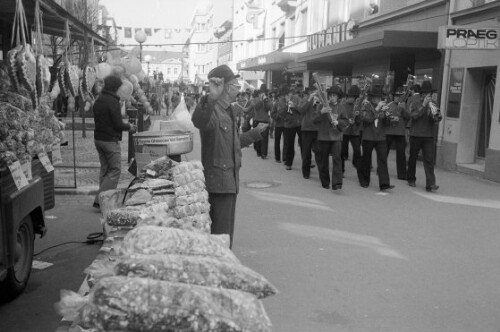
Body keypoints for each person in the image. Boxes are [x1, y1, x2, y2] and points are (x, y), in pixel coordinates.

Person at [191, 64, 268, 248]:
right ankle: (220, 267)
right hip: (219, 181)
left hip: (229, 180)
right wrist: (211, 97)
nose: (238, 88)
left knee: (225, 234)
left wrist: (255, 133)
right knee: (221, 235)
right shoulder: (213, 109)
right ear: (224, 87)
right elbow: (199, 121)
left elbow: (232, 143)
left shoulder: (229, 110)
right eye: (235, 85)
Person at [92, 75, 137, 209]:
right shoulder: (113, 102)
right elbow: (117, 124)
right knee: (115, 170)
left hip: (98, 138)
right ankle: (100, 200)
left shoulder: (99, 99)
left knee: (105, 170)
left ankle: (103, 200)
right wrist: (129, 126)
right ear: (116, 87)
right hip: (110, 140)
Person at [357, 85, 394, 191]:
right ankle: (364, 180)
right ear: (371, 97)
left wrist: (387, 115)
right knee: (366, 160)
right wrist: (377, 110)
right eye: (374, 97)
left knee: (382, 160)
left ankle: (384, 184)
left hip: (381, 137)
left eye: (378, 97)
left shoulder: (384, 106)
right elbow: (366, 119)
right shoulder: (366, 105)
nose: (376, 99)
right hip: (368, 136)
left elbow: (387, 123)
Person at [406, 81, 442, 192]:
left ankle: (430, 184)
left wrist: (434, 114)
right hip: (416, 134)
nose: (428, 95)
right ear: (422, 94)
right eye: (426, 93)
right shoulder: (415, 102)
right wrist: (423, 105)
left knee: (429, 160)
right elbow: (414, 116)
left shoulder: (434, 103)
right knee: (413, 158)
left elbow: (438, 119)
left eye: (429, 93)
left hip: (428, 136)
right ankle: (411, 178)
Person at [313, 86, 348, 189]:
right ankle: (325, 181)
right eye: (331, 95)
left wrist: (338, 122)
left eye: (334, 95)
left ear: (338, 97)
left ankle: (337, 182)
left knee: (337, 159)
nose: (332, 97)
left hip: (336, 137)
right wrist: (321, 112)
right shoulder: (321, 106)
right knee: (324, 161)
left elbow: (345, 121)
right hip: (324, 137)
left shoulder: (341, 107)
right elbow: (314, 120)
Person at [385, 87, 410, 180]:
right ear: (393, 97)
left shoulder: (404, 105)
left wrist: (404, 110)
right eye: (396, 96)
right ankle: (381, 170)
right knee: (384, 152)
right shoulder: (389, 105)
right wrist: (391, 119)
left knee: (401, 154)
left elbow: (409, 117)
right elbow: (385, 118)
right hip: (389, 131)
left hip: (400, 132)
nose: (397, 98)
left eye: (399, 96)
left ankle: (402, 174)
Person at [298, 85, 320, 179]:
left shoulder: (320, 99)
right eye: (312, 90)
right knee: (306, 153)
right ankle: (306, 173)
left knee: (319, 152)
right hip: (306, 129)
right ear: (309, 91)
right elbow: (301, 110)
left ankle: (322, 173)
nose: (314, 92)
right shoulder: (305, 99)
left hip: (317, 129)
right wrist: (309, 99)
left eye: (315, 90)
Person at [341, 85, 363, 174]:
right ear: (347, 97)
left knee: (357, 150)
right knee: (341, 152)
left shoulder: (357, 106)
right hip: (344, 131)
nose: (352, 99)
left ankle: (357, 165)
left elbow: (359, 121)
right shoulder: (342, 106)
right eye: (350, 97)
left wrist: (357, 116)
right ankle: (341, 169)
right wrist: (347, 121)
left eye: (353, 98)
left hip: (354, 131)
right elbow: (339, 118)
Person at [282, 89, 302, 170]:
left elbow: (301, 110)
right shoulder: (281, 101)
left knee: (303, 144)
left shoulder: (297, 99)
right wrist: (286, 105)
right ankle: (289, 163)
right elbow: (280, 113)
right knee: (290, 145)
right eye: (287, 95)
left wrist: (295, 106)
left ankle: (307, 162)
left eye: (290, 94)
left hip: (298, 124)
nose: (289, 96)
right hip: (288, 125)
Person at [249, 89, 271, 159]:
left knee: (265, 138)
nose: (263, 95)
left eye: (264, 93)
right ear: (259, 94)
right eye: (261, 93)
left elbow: (270, 108)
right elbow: (256, 107)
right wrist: (261, 101)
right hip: (257, 120)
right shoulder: (254, 100)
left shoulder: (267, 99)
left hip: (265, 120)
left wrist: (266, 101)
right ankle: (259, 151)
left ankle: (264, 153)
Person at [271, 90, 287, 163]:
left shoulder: (288, 104)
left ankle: (285, 157)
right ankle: (277, 157)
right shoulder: (276, 104)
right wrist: (278, 116)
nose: (284, 97)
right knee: (277, 141)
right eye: (282, 96)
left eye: (285, 96)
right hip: (278, 124)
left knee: (286, 142)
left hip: (286, 124)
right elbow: (272, 114)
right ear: (279, 97)